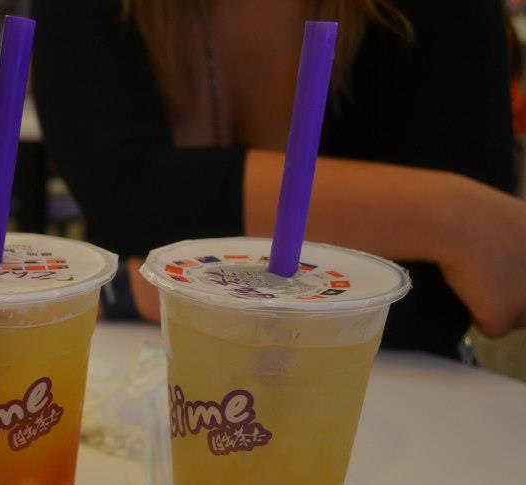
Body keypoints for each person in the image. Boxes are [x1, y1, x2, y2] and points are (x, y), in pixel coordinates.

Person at [31, 0, 526, 359]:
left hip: (385, 399)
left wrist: (141, 290)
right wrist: (447, 215)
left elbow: (453, 296)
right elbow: (124, 197)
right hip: (133, 395)